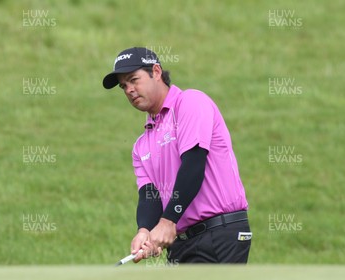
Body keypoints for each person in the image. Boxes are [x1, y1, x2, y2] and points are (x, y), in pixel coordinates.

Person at [102, 47, 252, 263]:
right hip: (182, 243)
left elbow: (193, 164)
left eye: (134, 79)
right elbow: (149, 195)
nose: (129, 90)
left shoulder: (190, 102)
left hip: (219, 233)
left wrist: (168, 221)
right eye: (124, 86)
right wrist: (144, 230)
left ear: (156, 72)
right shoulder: (141, 146)